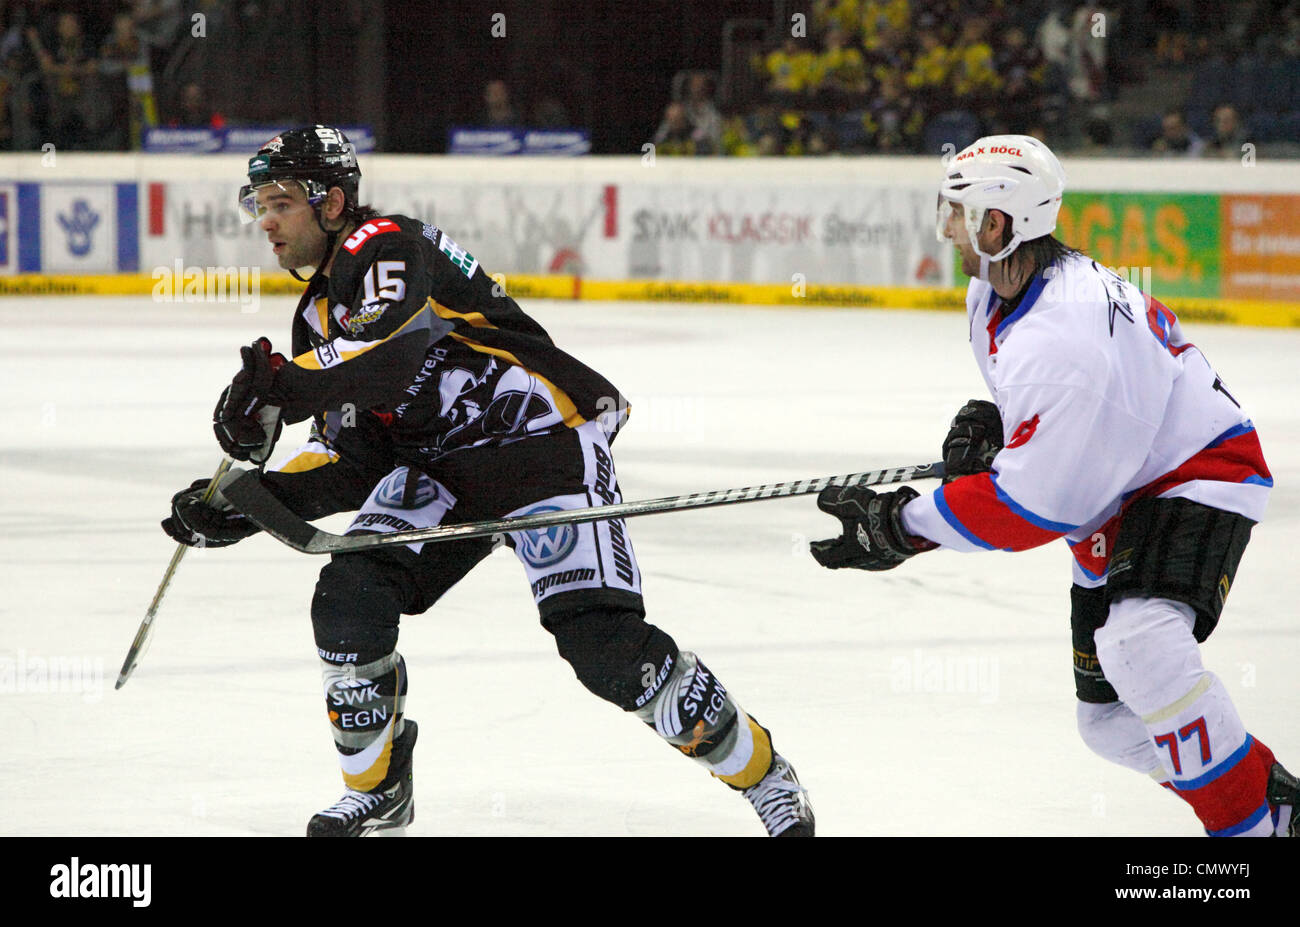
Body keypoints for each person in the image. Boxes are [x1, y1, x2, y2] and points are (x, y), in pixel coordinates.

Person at [159, 126, 814, 837]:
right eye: (258, 204)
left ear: (334, 201)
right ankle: (378, 790)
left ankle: (765, 776)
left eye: (280, 201)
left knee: (603, 647)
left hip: (539, 442)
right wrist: (246, 502)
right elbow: (355, 458)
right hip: (438, 471)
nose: (267, 221)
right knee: (349, 597)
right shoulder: (314, 318)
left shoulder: (385, 244)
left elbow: (394, 354)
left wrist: (286, 388)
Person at [810, 134, 1297, 837]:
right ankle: (1264, 796)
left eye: (958, 211)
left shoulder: (1060, 338)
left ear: (998, 223)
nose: (946, 226)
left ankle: (1253, 827)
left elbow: (1029, 508)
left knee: (1141, 644)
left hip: (1196, 469)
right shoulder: (994, 294)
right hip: (1120, 478)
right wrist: (1001, 429)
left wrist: (903, 525)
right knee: (1108, 721)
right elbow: (1044, 441)